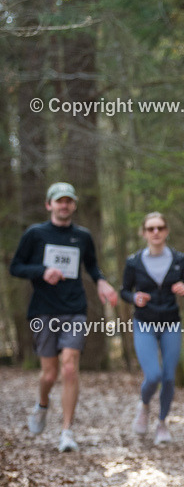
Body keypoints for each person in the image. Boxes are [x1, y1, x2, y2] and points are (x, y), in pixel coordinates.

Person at [9, 182, 119, 452]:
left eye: (69, 201)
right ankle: (42, 403)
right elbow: (16, 267)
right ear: (49, 205)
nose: (64, 205)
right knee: (49, 374)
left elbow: (92, 265)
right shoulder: (35, 234)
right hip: (43, 309)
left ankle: (67, 431)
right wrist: (42, 271)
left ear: (74, 205)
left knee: (69, 367)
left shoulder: (82, 236)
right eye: (59, 201)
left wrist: (102, 282)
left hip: (74, 308)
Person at [120, 212, 184, 445]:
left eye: (160, 228)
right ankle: (144, 405)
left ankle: (162, 423)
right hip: (144, 322)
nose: (156, 232)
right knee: (153, 374)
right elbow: (124, 290)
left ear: (166, 231)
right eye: (151, 228)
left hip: (170, 322)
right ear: (144, 233)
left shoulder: (179, 259)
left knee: (168, 377)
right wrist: (134, 297)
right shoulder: (134, 262)